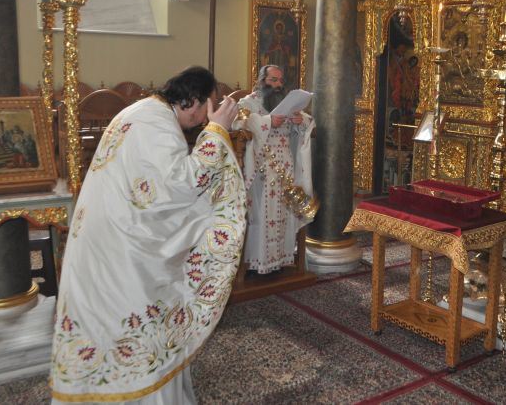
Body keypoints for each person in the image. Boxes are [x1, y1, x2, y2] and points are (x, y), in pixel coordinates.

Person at [50, 66, 246, 404]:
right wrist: (217, 131)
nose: (201, 121)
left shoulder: (143, 111)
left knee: (107, 324)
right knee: (132, 318)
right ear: (194, 101)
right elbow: (176, 188)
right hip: (120, 247)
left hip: (107, 235)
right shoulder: (155, 123)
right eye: (205, 111)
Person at [234, 65, 315, 274]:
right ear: (261, 80)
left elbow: (304, 125)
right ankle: (257, 263)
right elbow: (237, 124)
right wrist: (268, 121)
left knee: (283, 213)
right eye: (272, 80)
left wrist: (301, 121)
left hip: (285, 165)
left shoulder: (285, 102)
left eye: (280, 80)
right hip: (261, 166)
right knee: (261, 213)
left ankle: (279, 261)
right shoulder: (248, 102)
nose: (277, 85)